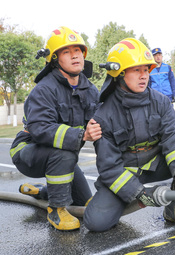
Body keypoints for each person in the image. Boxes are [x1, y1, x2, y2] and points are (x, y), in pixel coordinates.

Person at [84, 38, 175, 232]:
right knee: (96, 223)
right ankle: (115, 201)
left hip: (155, 166)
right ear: (119, 73)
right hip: (124, 174)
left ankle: (173, 208)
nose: (144, 76)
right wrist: (139, 193)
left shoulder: (160, 101)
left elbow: (174, 139)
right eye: (137, 70)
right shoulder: (103, 115)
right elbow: (109, 167)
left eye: (146, 70)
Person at [9, 26, 102, 231]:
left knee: (87, 202)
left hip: (64, 155)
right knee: (65, 155)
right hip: (27, 151)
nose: (75, 56)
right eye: (67, 52)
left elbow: (102, 124)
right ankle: (56, 209)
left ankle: (41, 192)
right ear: (54, 59)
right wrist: (81, 134)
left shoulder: (90, 89)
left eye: (77, 51)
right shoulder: (44, 89)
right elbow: (40, 128)